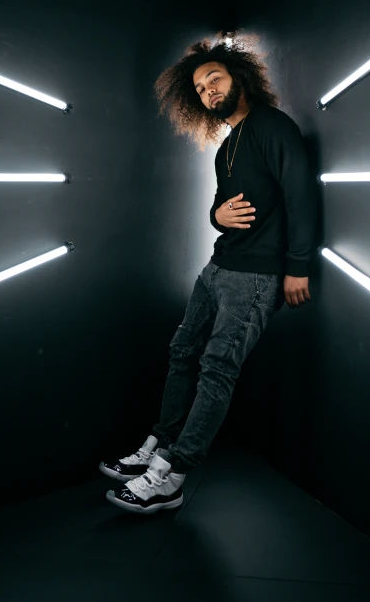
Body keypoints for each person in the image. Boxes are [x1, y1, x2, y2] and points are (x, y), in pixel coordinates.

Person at [100, 29, 316, 514]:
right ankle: (157, 444)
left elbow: (301, 194)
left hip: (256, 277)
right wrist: (216, 217)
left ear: (239, 76)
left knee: (217, 369)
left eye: (214, 79)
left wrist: (298, 267)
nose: (209, 91)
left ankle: (172, 476)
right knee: (182, 355)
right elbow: (219, 206)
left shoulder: (272, 126)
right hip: (217, 268)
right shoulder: (227, 147)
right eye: (199, 89)